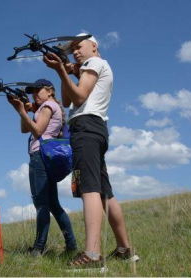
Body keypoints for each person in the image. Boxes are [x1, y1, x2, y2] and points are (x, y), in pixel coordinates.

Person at [43, 33, 138, 268]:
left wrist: (61, 71)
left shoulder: (95, 63)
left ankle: (92, 256)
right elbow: (67, 101)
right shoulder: (87, 68)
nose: (74, 51)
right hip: (93, 129)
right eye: (71, 49)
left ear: (94, 46)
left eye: (79, 46)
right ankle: (124, 249)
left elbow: (80, 95)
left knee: (89, 188)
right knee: (105, 192)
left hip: (86, 128)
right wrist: (66, 71)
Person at [8, 79, 77, 256]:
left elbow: (37, 131)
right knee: (53, 204)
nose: (35, 94)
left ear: (50, 91)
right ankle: (71, 246)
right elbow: (25, 129)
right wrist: (23, 110)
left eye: (38, 90)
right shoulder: (47, 107)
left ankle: (38, 248)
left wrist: (21, 110)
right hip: (46, 156)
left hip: (40, 155)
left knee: (41, 204)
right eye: (33, 91)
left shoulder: (47, 106)